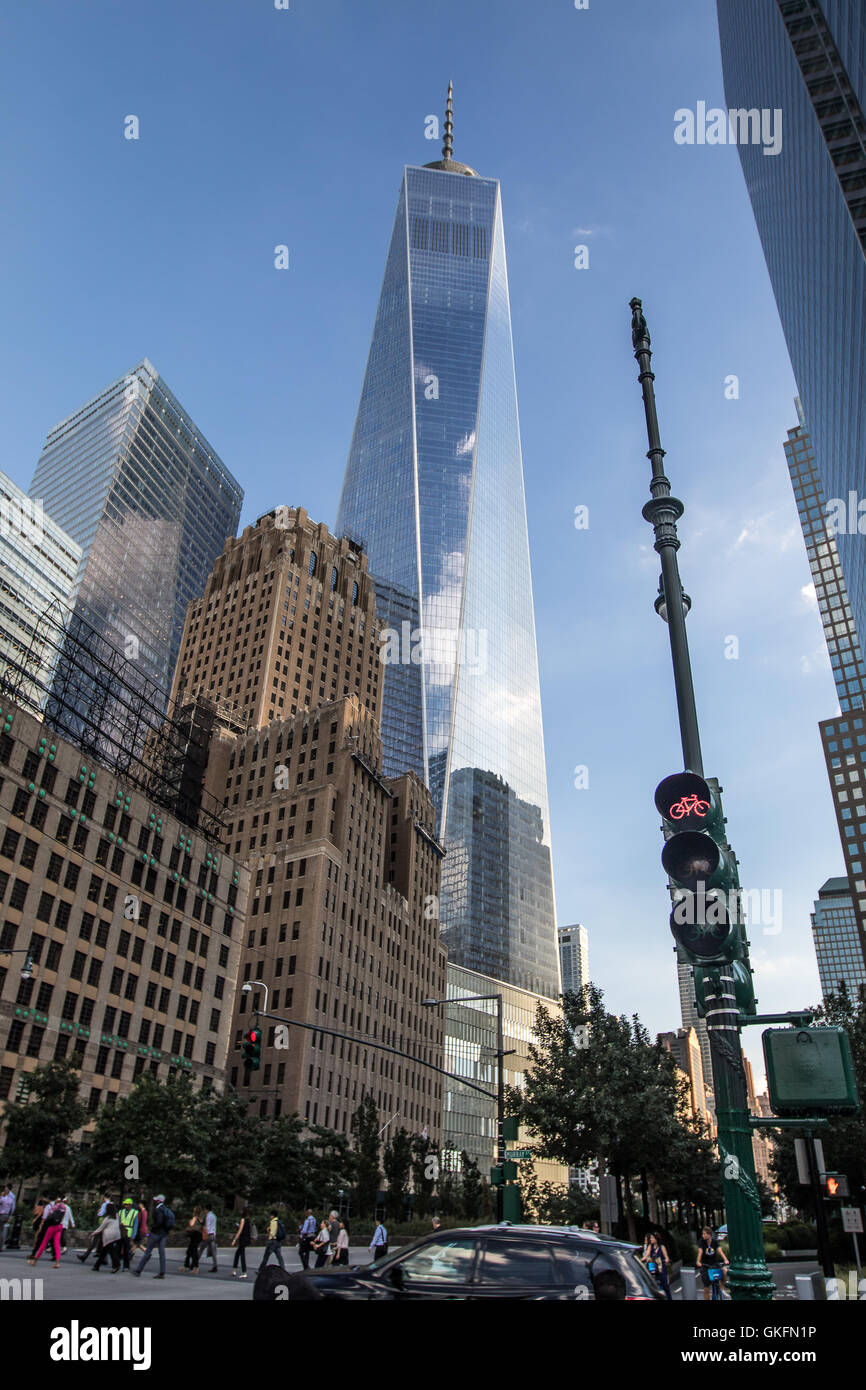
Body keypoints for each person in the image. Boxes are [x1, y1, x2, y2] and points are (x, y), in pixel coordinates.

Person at [132, 1194, 175, 1279]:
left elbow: (158, 1222)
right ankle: (162, 1272)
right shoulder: (166, 1209)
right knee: (162, 1253)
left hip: (156, 1233)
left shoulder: (158, 1210)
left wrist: (152, 1228)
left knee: (148, 1252)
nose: (155, 1201)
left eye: (156, 1200)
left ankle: (138, 1270)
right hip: (164, 1234)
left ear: (158, 1201)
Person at [28, 1197, 67, 1268]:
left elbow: (48, 1216)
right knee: (56, 1244)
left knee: (43, 1243)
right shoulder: (64, 1207)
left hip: (51, 1227)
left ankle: (35, 1260)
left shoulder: (54, 1207)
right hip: (59, 1226)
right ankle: (57, 1263)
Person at [697, 1226, 729, 1300]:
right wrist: (698, 1261)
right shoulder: (701, 1241)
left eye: (704, 1234)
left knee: (724, 1270)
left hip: (714, 1264)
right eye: (702, 1234)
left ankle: (722, 1288)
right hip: (705, 1265)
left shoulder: (714, 1242)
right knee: (706, 1288)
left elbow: (720, 1251)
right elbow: (700, 1252)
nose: (703, 1235)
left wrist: (725, 1259)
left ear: (709, 1235)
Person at [640, 1231, 673, 1301]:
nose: (651, 1239)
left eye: (652, 1238)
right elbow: (646, 1256)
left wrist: (666, 1260)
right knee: (653, 1284)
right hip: (653, 1267)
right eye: (650, 1238)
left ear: (656, 1239)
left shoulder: (662, 1247)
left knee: (665, 1285)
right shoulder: (650, 1247)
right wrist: (640, 1260)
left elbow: (666, 1257)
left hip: (661, 1268)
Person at [92, 1204, 122, 1273]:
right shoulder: (117, 1216)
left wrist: (93, 1233)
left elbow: (101, 1228)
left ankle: (116, 1265)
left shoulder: (107, 1218)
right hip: (116, 1235)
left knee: (111, 1252)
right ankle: (96, 1266)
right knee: (104, 1251)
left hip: (108, 1237)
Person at [231, 1206, 252, 1278]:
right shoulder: (248, 1220)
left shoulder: (243, 1220)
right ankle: (234, 1270)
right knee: (237, 1254)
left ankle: (244, 1272)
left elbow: (240, 1230)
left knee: (241, 1255)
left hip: (243, 1239)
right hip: (246, 1239)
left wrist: (234, 1239)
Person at [182, 1205, 204, 1273]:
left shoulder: (195, 1218)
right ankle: (187, 1266)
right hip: (199, 1235)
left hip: (194, 1235)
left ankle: (195, 1267)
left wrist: (191, 1221)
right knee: (191, 1250)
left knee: (192, 1251)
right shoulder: (201, 1219)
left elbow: (191, 1225)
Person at [118, 1198, 138, 1270]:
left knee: (126, 1250)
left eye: (126, 1204)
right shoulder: (120, 1212)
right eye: (124, 1204)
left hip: (128, 1233)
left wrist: (133, 1236)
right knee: (118, 1249)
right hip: (120, 1232)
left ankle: (126, 1266)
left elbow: (135, 1225)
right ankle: (117, 1264)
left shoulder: (134, 1213)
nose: (125, 1205)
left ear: (130, 1205)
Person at [200, 1202, 218, 1271]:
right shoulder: (214, 1216)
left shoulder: (208, 1216)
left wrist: (204, 1234)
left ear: (207, 1209)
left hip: (208, 1235)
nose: (204, 1211)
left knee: (201, 1248)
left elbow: (207, 1227)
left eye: (204, 1209)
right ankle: (215, 1265)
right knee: (213, 1252)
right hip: (213, 1235)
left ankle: (195, 1263)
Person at [0, 1186, 16, 1251]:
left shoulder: (2, 1199)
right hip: (6, 1215)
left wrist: (1, 1196)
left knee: (0, 1231)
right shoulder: (11, 1199)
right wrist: (10, 1216)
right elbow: (12, 1209)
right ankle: (1, 1246)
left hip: (1, 1215)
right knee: (2, 1231)